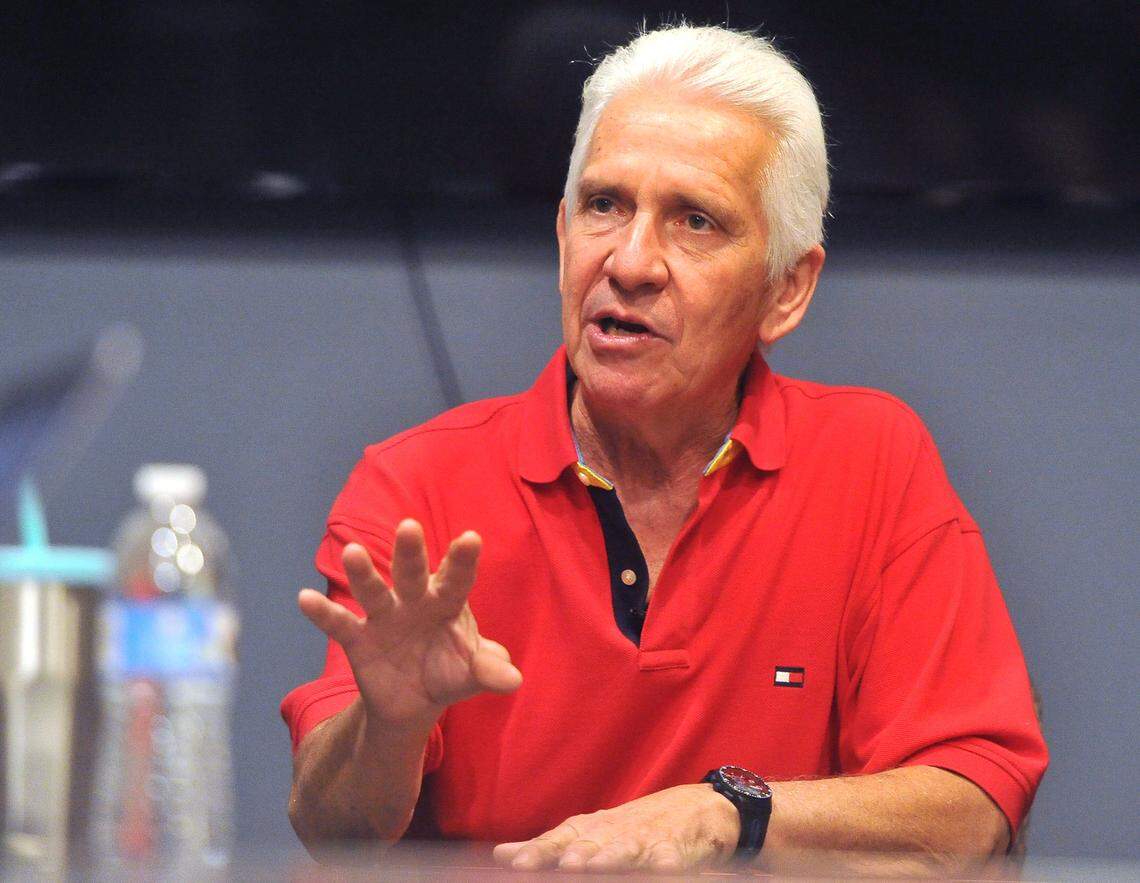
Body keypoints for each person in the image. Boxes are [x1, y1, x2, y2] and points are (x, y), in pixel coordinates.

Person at [282, 24, 1048, 875]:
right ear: (563, 234)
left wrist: (722, 813)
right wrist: (389, 723)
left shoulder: (873, 460)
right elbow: (330, 828)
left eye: (695, 221)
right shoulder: (418, 483)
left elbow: (976, 801)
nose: (632, 262)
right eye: (606, 206)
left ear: (786, 290)